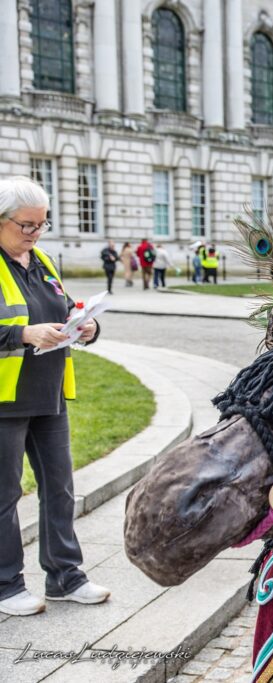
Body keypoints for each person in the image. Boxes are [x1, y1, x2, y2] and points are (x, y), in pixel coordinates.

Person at [0, 176, 110, 616]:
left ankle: (66, 577)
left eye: (41, 224)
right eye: (26, 225)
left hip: (49, 395)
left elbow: (64, 311)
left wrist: (87, 327)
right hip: (5, 402)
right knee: (4, 496)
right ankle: (6, 584)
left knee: (60, 489)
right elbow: (21, 326)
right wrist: (23, 334)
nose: (35, 233)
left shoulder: (43, 260)